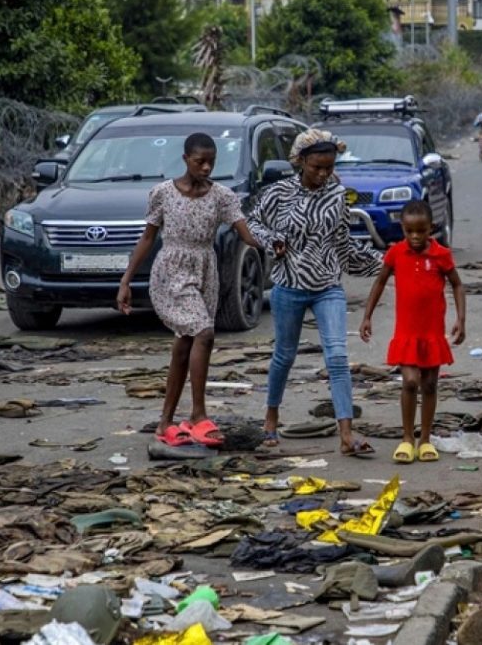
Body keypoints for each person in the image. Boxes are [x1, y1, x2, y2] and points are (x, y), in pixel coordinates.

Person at [117, 133, 265, 447]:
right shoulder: (163, 193)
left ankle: (165, 422)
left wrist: (271, 242)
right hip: (171, 270)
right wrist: (126, 280)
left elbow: (245, 232)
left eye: (212, 161)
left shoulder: (222, 196)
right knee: (204, 331)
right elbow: (147, 238)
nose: (207, 167)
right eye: (200, 161)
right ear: (186, 159)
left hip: (205, 271)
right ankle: (198, 414)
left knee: (186, 343)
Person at [248, 129, 383, 456]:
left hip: (327, 287)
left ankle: (346, 435)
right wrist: (272, 242)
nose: (323, 174)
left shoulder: (337, 195)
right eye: (316, 167)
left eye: (329, 167)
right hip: (288, 286)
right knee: (284, 356)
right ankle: (271, 417)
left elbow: (343, 243)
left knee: (337, 356)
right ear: (301, 161)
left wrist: (385, 264)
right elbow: (253, 224)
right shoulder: (278, 193)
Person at [359, 200, 466, 464]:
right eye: (410, 232)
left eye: (421, 231)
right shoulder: (396, 253)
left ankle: (425, 439)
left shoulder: (441, 255)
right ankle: (407, 438)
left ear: (431, 228)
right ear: (403, 230)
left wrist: (460, 320)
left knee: (429, 384)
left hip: (432, 332)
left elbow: (457, 285)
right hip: (407, 331)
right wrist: (367, 316)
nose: (416, 237)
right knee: (409, 381)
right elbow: (381, 280)